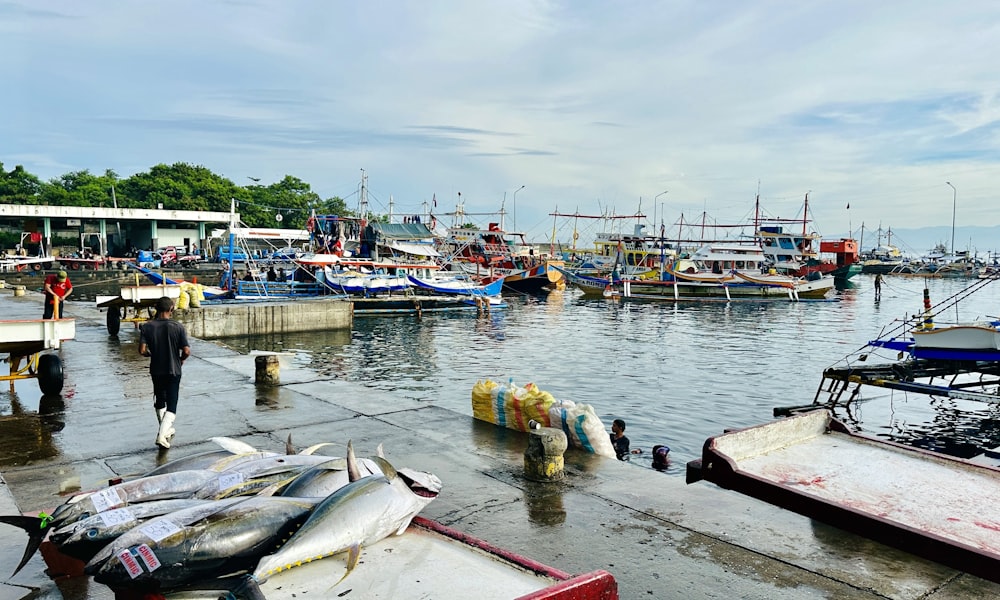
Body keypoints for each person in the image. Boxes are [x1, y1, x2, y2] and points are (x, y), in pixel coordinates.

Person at [138, 296, 191, 449]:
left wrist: (151, 354)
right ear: (171, 309)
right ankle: (161, 435)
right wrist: (181, 359)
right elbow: (187, 351)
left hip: (156, 369)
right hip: (173, 369)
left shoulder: (147, 327)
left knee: (160, 400)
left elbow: (142, 351)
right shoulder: (178, 327)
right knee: (172, 404)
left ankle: (165, 429)